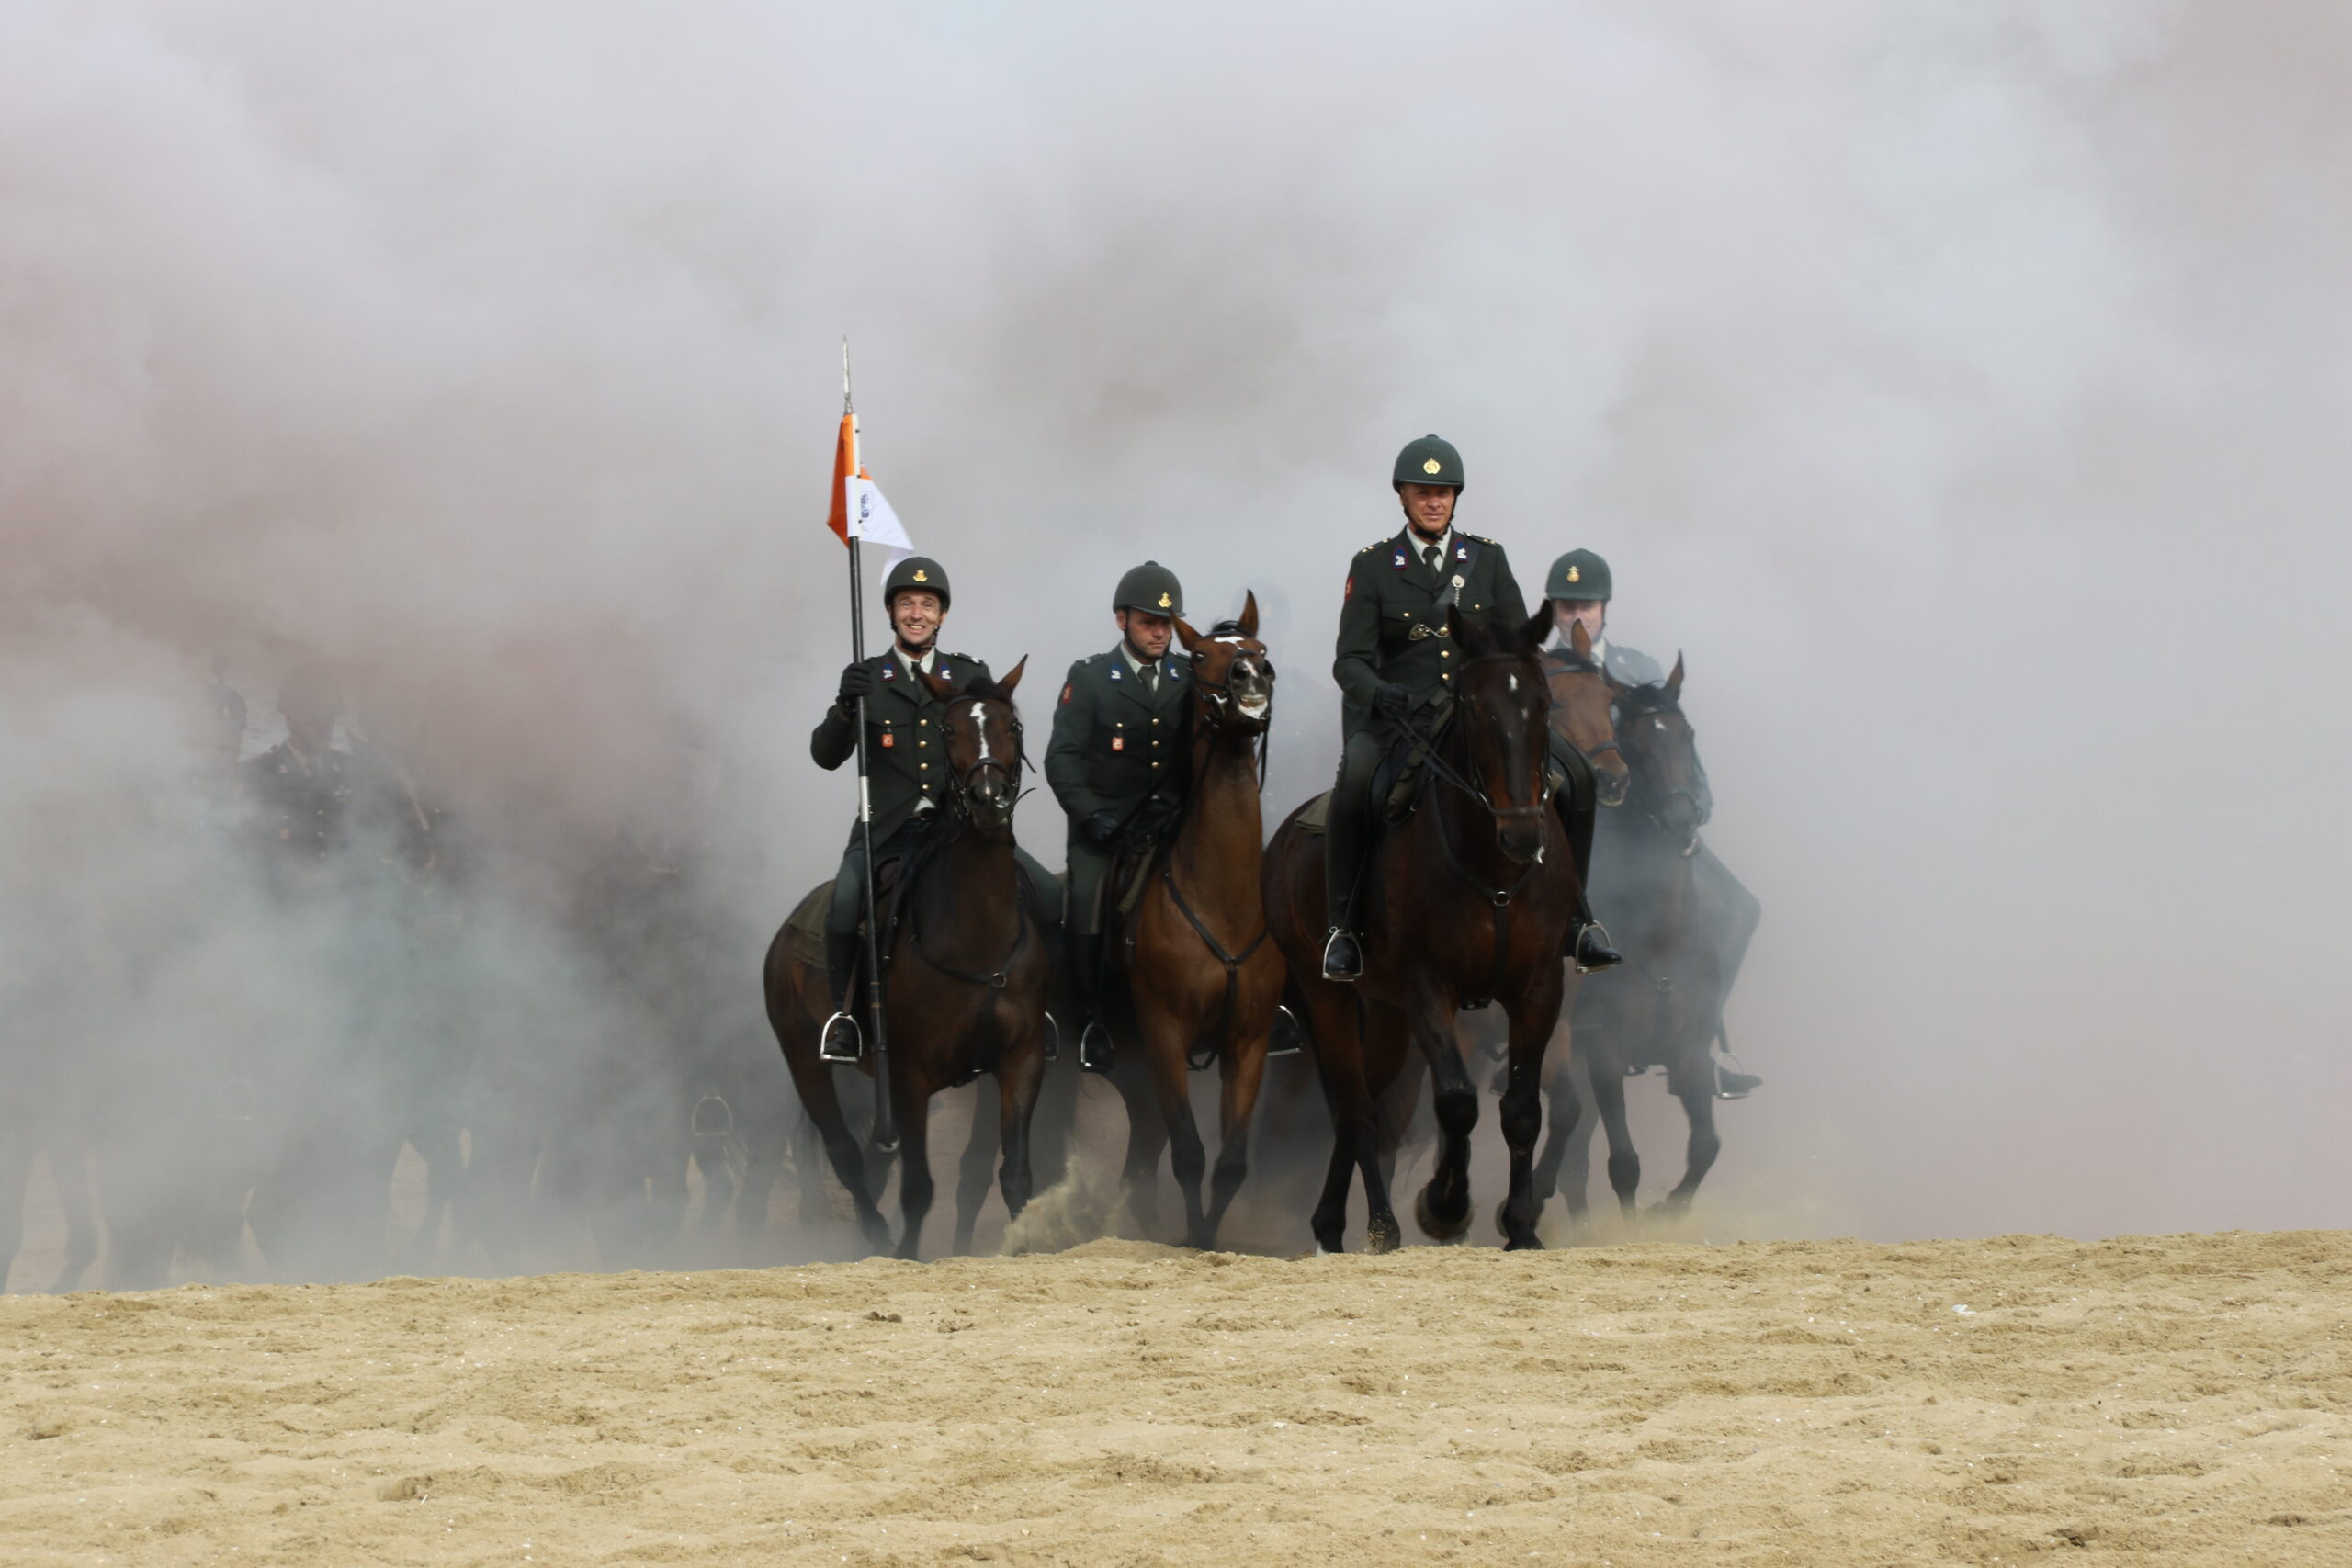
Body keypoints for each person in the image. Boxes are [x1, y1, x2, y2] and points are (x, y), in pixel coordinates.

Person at [1322, 435, 1622, 981]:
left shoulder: (1487, 559)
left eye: (1443, 492)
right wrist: (1378, 692)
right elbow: (1350, 661)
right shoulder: (1373, 566)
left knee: (1577, 775)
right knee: (1356, 782)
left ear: (1455, 497)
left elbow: (1518, 643)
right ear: (1402, 496)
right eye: (1422, 492)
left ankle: (1578, 920)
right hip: (1402, 718)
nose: (1433, 502)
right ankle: (1343, 929)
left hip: (1482, 715)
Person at [810, 556, 1058, 1062]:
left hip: (959, 829)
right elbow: (825, 755)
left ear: (943, 615)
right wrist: (845, 708)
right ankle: (844, 1018)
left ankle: (1046, 1010)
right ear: (890, 612)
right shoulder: (868, 678)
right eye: (906, 604)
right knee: (844, 903)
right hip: (888, 831)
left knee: (1052, 896)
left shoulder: (968, 674)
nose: (916, 614)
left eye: (927, 604)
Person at [1546, 547, 1762, 1097]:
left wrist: (1698, 802)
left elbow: (1679, 742)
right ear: (1552, 610)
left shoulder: (1638, 668)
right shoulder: (1539, 673)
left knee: (1741, 908)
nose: (1577, 616)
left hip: (1655, 829)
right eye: (1567, 606)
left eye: (1587, 606)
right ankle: (1551, 1034)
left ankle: (1702, 1041)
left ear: (1605, 608)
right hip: (1582, 831)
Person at [1044, 561, 1194, 1073]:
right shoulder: (1089, 677)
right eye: (1149, 622)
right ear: (1121, 620)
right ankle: (1089, 1021)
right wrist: (1091, 816)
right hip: (1106, 830)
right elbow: (1061, 759)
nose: (1160, 633)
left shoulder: (1187, 676)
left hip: (1172, 824)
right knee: (1086, 899)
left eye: (1167, 624)